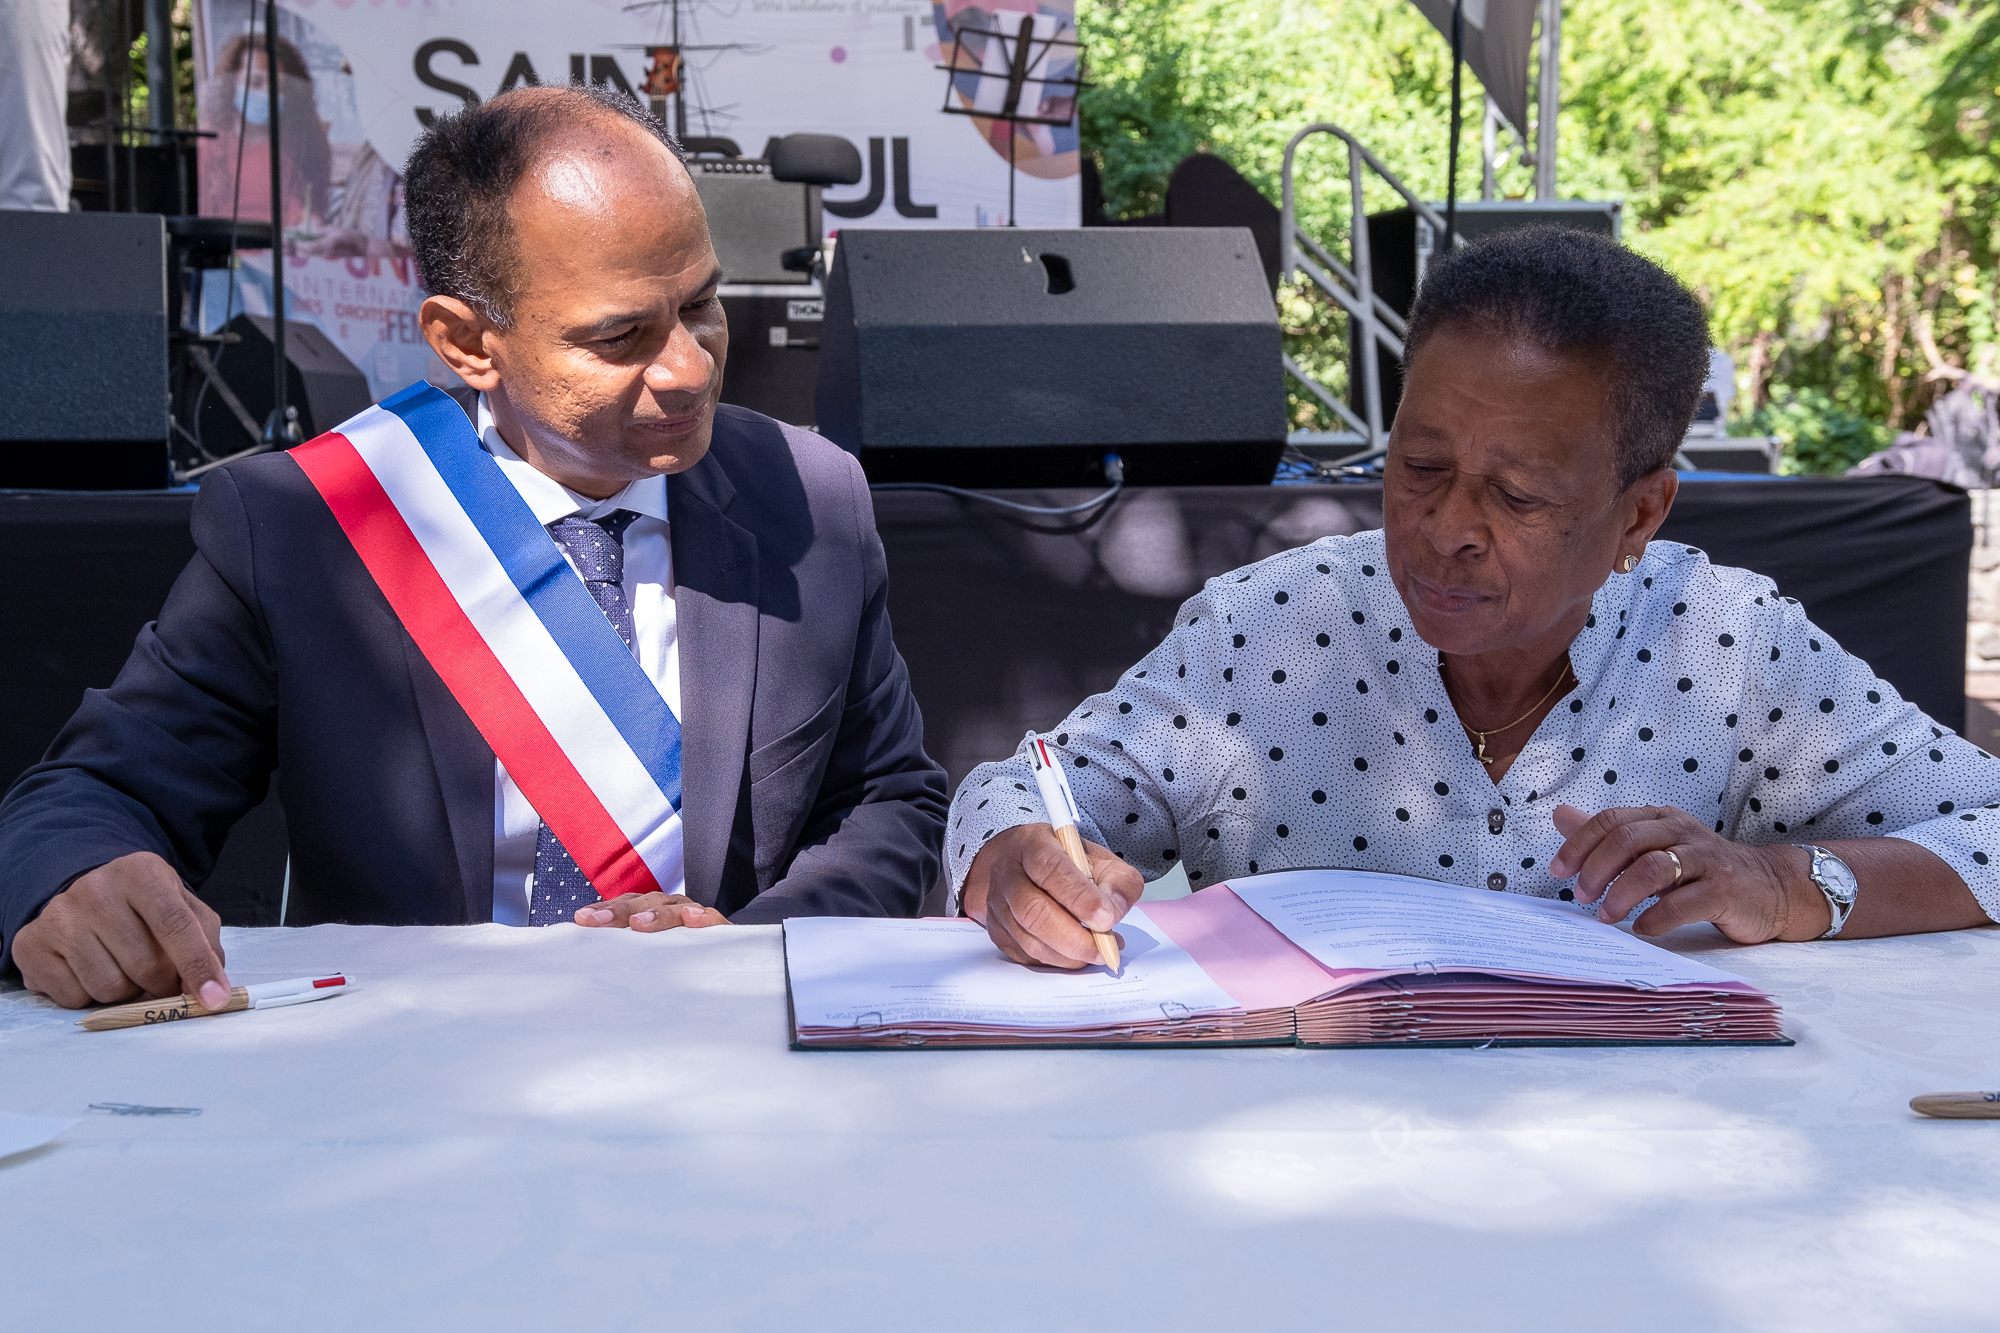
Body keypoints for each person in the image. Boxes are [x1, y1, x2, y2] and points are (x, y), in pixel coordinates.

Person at [0, 84, 948, 1008]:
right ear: (466, 343)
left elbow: (890, 799)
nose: (691, 366)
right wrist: (74, 878)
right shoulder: (309, 524)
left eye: (702, 302)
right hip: (418, 1079)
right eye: (622, 336)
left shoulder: (810, 497)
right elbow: (90, 793)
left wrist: (744, 956)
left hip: (723, 1058)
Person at [952, 226, 2000, 968]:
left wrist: (1779, 886)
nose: (1447, 528)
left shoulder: (1728, 645)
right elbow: (1026, 792)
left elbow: (1988, 829)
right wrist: (1016, 861)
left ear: (1639, 515)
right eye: (1416, 466)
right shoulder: (1264, 630)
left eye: (1515, 494)